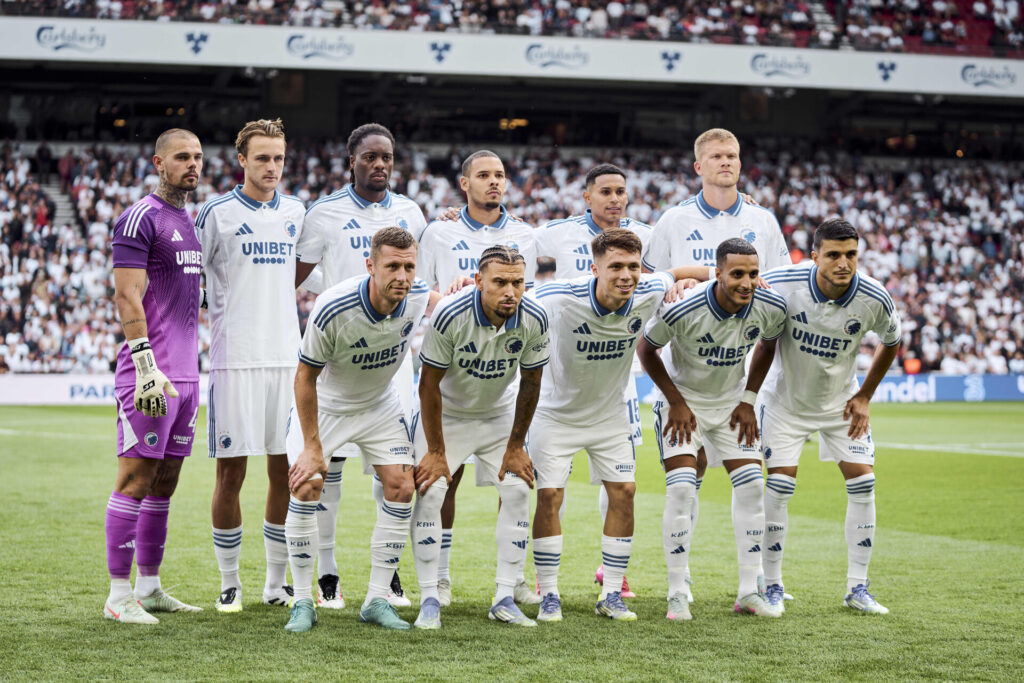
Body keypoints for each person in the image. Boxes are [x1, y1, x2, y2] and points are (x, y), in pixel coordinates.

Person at [642, 127, 791, 603]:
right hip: (684, 360)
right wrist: (686, 282)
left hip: (732, 376)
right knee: (688, 481)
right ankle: (678, 584)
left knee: (746, 483)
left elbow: (778, 286)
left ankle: (754, 587)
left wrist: (749, 395)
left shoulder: (763, 221)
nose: (726, 162)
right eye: (717, 156)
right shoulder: (674, 220)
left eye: (733, 155)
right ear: (698, 167)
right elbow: (652, 277)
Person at [293, 123, 426, 610]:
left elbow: (422, 279)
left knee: (392, 474)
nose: (380, 165)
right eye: (370, 157)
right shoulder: (324, 213)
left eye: (387, 157)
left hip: (392, 364)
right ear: (353, 161)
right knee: (328, 475)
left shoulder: (412, 213)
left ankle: (386, 578)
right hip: (339, 358)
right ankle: (327, 575)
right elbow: (293, 278)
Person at [530, 228, 689, 623]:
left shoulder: (650, 288)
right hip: (555, 413)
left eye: (633, 266)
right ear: (594, 268)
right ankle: (549, 593)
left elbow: (690, 270)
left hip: (610, 414)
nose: (626, 275)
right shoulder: (557, 297)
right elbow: (509, 298)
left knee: (625, 491)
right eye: (615, 266)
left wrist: (687, 278)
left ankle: (612, 592)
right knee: (549, 497)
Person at [282, 226, 432, 633]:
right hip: (326, 405)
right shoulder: (334, 306)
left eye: (409, 266)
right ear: (370, 265)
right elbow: (304, 377)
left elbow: (451, 301)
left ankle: (376, 599)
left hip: (379, 404)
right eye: (392, 266)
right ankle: (301, 601)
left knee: (401, 486)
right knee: (308, 484)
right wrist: (313, 446)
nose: (402, 276)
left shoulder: (417, 295)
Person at [751, 218, 902, 614]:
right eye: (833, 255)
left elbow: (892, 342)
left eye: (851, 255)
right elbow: (739, 288)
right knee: (780, 488)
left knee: (864, 484)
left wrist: (865, 396)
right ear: (814, 255)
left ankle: (858, 588)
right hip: (785, 403)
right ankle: (772, 584)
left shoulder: (874, 296)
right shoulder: (781, 282)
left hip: (841, 404)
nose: (843, 263)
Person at [416, 150, 538, 607]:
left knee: (514, 481)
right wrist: (441, 297)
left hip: (501, 371)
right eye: (484, 175)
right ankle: (441, 577)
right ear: (464, 183)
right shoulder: (439, 230)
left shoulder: (526, 233)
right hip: (450, 362)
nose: (494, 182)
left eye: (500, 175)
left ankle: (515, 579)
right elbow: (416, 286)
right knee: (448, 478)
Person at [195, 118, 306, 612]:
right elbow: (193, 282)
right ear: (241, 160)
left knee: (286, 474)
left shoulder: (298, 213)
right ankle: (229, 581)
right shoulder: (215, 213)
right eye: (262, 157)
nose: (271, 167)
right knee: (231, 475)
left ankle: (275, 582)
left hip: (288, 359)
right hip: (234, 360)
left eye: (278, 158)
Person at [413, 246, 549, 628]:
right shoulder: (450, 313)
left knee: (519, 490)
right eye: (500, 282)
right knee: (432, 490)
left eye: (518, 282)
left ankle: (505, 596)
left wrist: (516, 445)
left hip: (496, 414)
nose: (511, 291)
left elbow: (532, 382)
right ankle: (429, 599)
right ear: (478, 281)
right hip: (449, 413)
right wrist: (437, 451)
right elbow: (428, 385)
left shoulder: (535, 316)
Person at [103, 128, 204, 624]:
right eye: (182, 156)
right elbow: (127, 295)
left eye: (198, 157)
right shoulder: (139, 217)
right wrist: (146, 368)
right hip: (151, 376)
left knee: (165, 482)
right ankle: (118, 596)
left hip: (186, 379)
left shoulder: (189, 221)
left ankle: (150, 586)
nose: (193, 164)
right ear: (159, 163)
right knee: (135, 477)